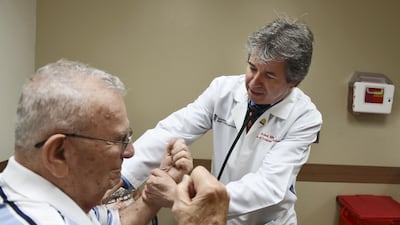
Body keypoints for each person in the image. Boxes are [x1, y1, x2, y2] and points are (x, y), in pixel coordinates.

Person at [121, 16, 323, 225]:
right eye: (252, 68)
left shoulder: (304, 117)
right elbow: (173, 129)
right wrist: (123, 178)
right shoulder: (223, 91)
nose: (254, 82)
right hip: (218, 217)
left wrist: (185, 197)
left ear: (295, 82)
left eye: (269, 76)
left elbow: (269, 185)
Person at [0, 59, 228, 225]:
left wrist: (151, 196)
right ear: (59, 153)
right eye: (119, 141)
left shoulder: (57, 195)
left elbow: (116, 220)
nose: (130, 151)